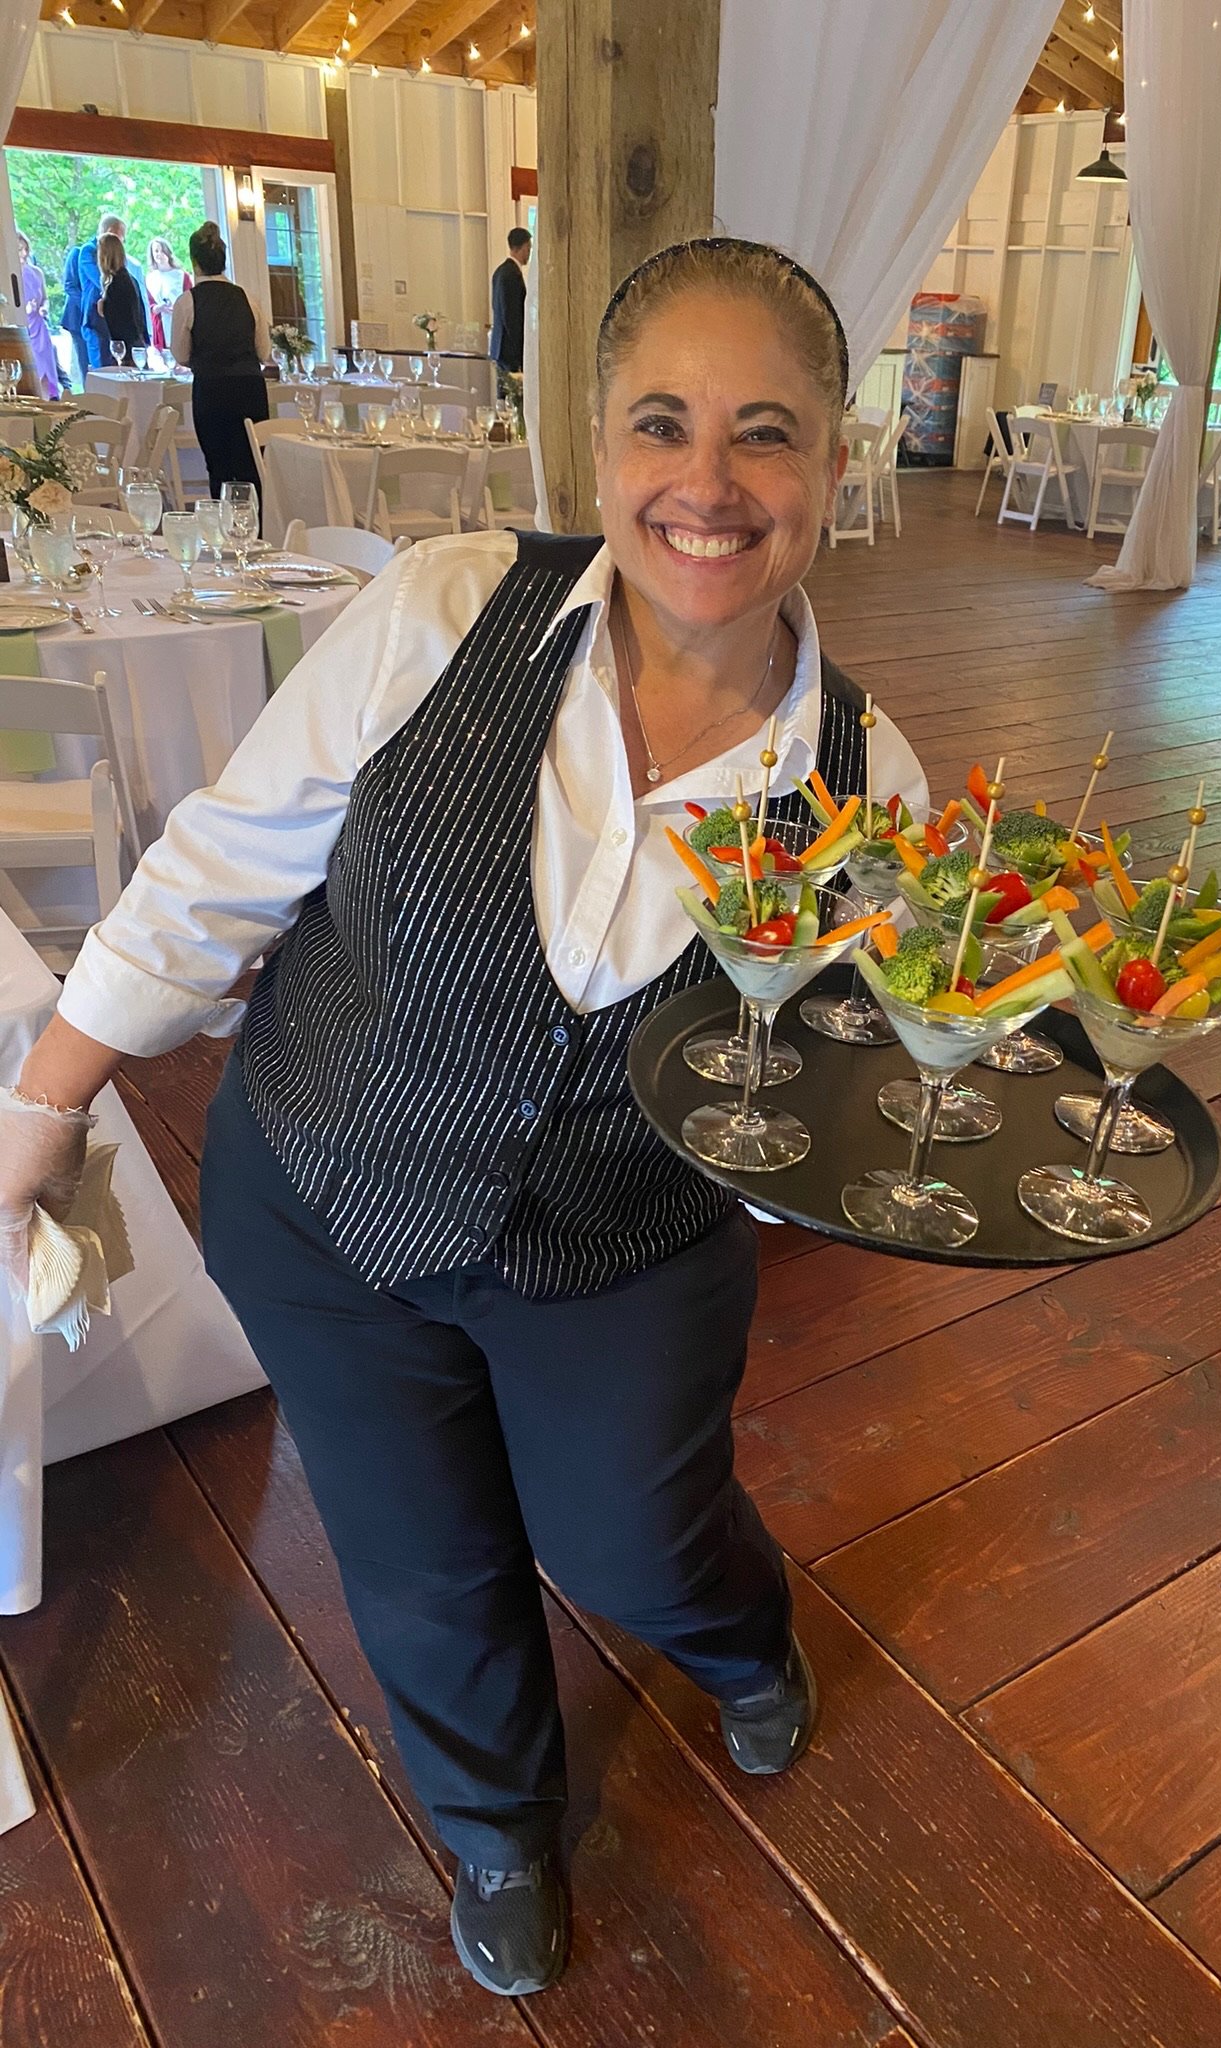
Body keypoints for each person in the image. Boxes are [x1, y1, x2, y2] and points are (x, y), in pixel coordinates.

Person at [2, 237, 925, 2002]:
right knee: (419, 1559)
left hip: (624, 1243)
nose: (709, 485)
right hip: (329, 1197)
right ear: (598, 442)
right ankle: (498, 1822)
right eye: (664, 422)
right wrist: (44, 1106)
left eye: (767, 434)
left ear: (835, 456)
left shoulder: (866, 780)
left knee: (636, 1538)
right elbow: (217, 871)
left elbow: (821, 1089)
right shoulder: (445, 606)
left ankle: (736, 1631)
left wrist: (909, 1099)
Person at [169, 221, 269, 499]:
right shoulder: (248, 297)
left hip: (212, 391)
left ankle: (224, 533)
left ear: (194, 262)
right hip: (251, 390)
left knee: (219, 468)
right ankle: (258, 531)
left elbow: (180, 354)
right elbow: (263, 352)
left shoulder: (187, 302)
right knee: (253, 468)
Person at [75, 213, 149, 371]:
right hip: (111, 333)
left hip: (119, 340)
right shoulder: (88, 252)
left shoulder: (118, 282)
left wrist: (105, 306)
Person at [17, 234, 60, 398]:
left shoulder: (36, 273)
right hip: (23, 328)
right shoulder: (10, 276)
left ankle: (51, 398)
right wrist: (24, 309)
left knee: (47, 369)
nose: (24, 253)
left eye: (26, 249)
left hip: (39, 327)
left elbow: (45, 298)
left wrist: (43, 308)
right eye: (20, 249)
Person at [96, 233, 147, 361]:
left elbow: (116, 321)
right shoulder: (129, 279)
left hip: (125, 348)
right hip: (134, 343)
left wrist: (103, 308)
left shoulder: (116, 285)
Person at [490, 225, 530, 385]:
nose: (529, 253)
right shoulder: (512, 274)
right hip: (510, 350)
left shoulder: (500, 272)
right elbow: (512, 316)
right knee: (512, 398)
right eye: (529, 248)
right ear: (523, 247)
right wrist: (521, 352)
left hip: (499, 347)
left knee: (503, 396)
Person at [145, 235, 191, 356]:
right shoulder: (150, 278)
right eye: (155, 251)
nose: (159, 254)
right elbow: (149, 304)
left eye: (161, 250)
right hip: (161, 325)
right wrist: (158, 308)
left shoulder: (181, 276)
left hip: (178, 321)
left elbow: (189, 299)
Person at [59, 241, 86, 389]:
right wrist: (87, 305)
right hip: (77, 317)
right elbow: (69, 285)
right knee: (83, 358)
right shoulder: (77, 253)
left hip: (95, 319)